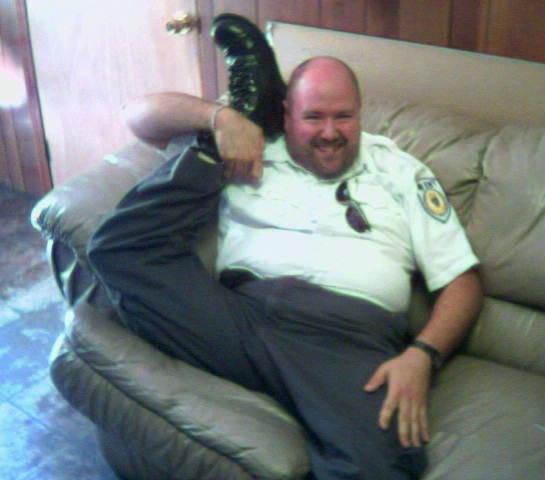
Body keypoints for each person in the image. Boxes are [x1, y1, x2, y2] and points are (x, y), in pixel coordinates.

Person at [87, 14, 483, 480]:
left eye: (343, 116)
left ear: (360, 113)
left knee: (380, 463)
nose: (330, 132)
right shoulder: (250, 143)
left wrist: (423, 355)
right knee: (117, 250)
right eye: (313, 117)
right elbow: (137, 115)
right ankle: (237, 116)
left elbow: (462, 281)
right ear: (286, 115)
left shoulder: (400, 171)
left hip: (344, 341)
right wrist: (222, 119)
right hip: (236, 319)